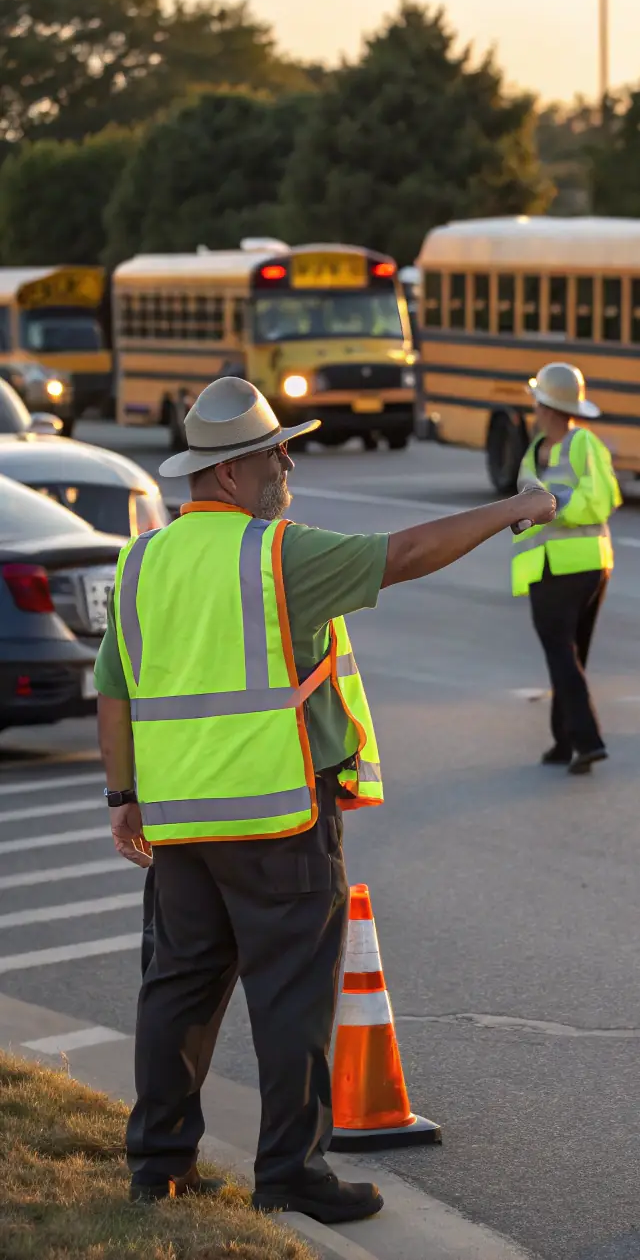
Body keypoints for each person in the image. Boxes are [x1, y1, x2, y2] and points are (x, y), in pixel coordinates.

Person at [95, 376, 555, 1224]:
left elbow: (114, 692)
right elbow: (406, 553)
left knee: (177, 993)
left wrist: (123, 795)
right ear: (230, 473)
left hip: (179, 824)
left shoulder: (140, 561)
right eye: (276, 452)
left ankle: (157, 1164)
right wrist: (513, 507)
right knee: (291, 999)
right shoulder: (276, 552)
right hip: (278, 817)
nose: (288, 463)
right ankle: (292, 1173)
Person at [512, 363, 621, 775]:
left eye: (538, 402)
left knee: (562, 654)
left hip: (581, 566)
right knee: (567, 657)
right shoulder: (535, 447)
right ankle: (564, 741)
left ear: (548, 406)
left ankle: (587, 740)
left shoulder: (583, 444)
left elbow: (602, 499)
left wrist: (549, 510)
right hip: (545, 566)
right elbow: (521, 499)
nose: (534, 409)